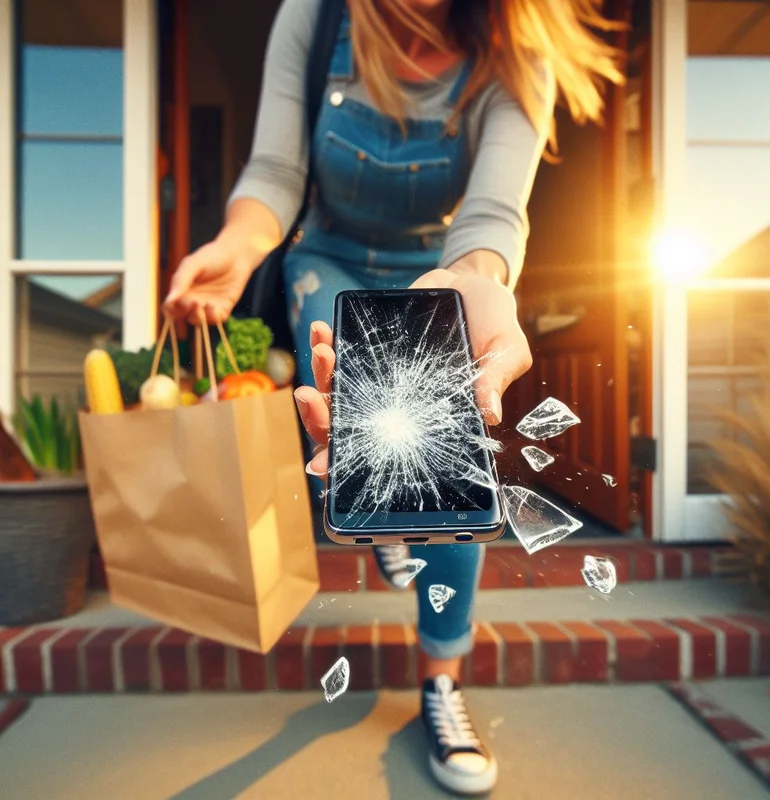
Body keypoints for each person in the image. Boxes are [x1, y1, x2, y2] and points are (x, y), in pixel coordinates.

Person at [164, 0, 621, 794]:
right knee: (336, 346)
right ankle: (377, 506)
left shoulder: (520, 48)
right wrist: (239, 249)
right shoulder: (316, 18)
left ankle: (441, 681)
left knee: (448, 452)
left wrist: (475, 284)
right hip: (326, 260)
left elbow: (488, 216)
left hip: (436, 272)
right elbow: (275, 173)